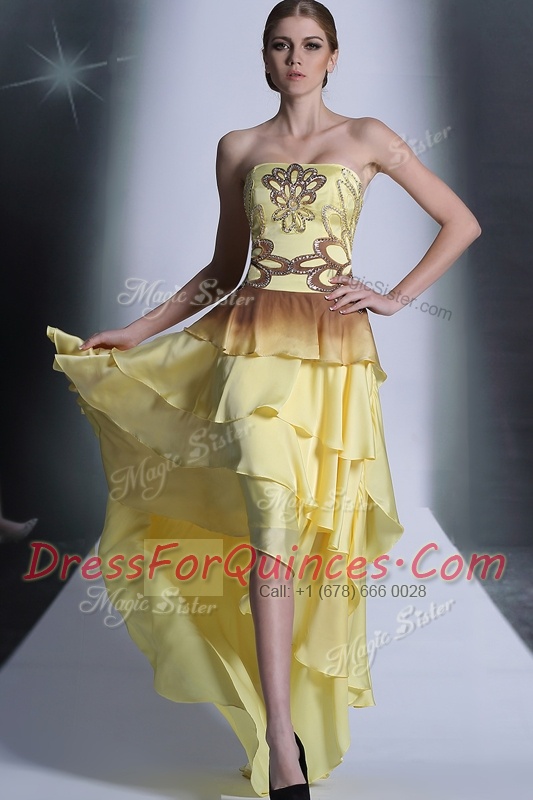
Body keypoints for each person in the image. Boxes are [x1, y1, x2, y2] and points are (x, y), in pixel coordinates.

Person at [46, 1, 481, 797]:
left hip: (332, 360)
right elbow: (223, 270)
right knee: (270, 526)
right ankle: (281, 739)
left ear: (333, 57)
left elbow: (460, 222)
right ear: (264, 57)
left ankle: (288, 716)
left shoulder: (368, 137)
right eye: (281, 45)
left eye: (311, 45)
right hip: (248, 350)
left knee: (302, 541)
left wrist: (393, 296)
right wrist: (136, 331)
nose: (296, 58)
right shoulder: (238, 146)